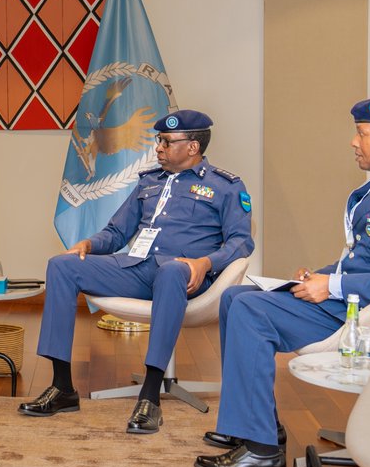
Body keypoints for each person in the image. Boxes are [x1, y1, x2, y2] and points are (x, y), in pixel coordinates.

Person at [196, 95, 370, 467]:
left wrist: (334, 285)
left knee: (251, 311)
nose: (354, 142)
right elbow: (363, 259)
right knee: (236, 297)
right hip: (350, 300)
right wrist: (317, 277)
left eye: (362, 133)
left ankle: (261, 451)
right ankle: (258, 427)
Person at [20, 109, 254, 434]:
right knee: (62, 266)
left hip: (185, 276)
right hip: (137, 268)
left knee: (171, 271)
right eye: (158, 140)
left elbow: (242, 242)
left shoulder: (226, 186)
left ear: (193, 147)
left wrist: (205, 264)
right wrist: (89, 243)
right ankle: (62, 387)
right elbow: (117, 232)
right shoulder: (149, 181)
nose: (158, 147)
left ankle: (150, 397)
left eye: (167, 142)